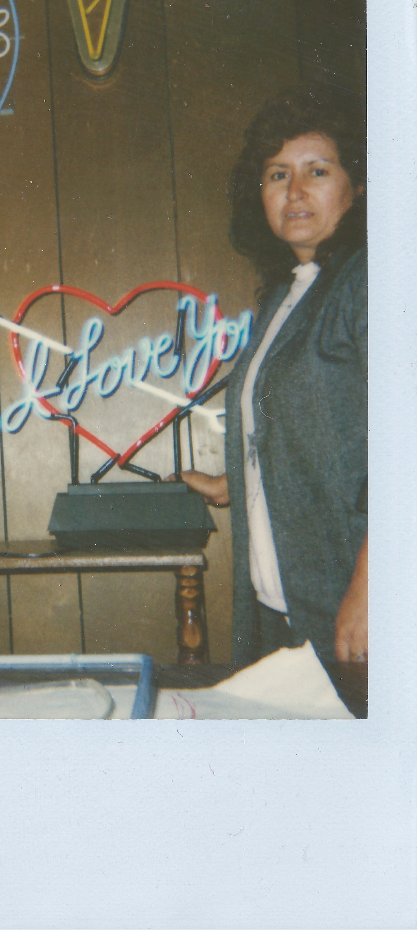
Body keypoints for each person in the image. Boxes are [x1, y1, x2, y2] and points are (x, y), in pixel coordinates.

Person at [181, 87, 367, 666]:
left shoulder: (371, 281)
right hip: (281, 595)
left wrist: (372, 589)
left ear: (357, 187)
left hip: (350, 595)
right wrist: (234, 480)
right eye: (276, 174)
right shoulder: (285, 296)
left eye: (317, 170)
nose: (295, 191)